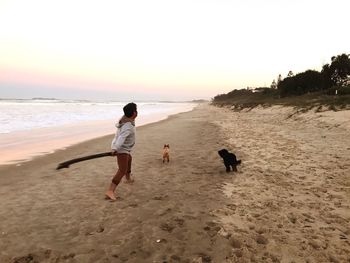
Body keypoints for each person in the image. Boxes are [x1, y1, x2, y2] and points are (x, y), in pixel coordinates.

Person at [105, 102, 137, 201]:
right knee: (122, 170)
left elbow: (118, 136)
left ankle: (128, 178)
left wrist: (114, 147)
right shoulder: (127, 126)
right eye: (136, 110)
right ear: (134, 113)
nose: (137, 112)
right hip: (122, 149)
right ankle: (110, 191)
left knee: (129, 159)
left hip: (124, 148)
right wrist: (115, 149)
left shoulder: (126, 120)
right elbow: (121, 138)